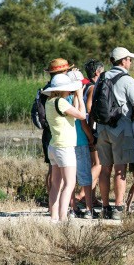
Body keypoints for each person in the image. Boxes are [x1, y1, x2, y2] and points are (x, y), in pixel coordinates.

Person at [95, 47, 134, 220]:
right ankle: (117, 207)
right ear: (123, 61)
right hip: (121, 127)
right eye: (129, 59)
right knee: (120, 169)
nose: (131, 62)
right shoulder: (127, 79)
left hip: (102, 127)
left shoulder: (102, 77)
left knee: (104, 170)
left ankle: (104, 206)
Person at [42, 74, 87, 222]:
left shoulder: (50, 102)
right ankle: (63, 217)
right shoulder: (61, 102)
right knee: (69, 184)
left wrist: (74, 98)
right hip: (65, 147)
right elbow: (81, 115)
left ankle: (54, 217)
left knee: (56, 184)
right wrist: (80, 97)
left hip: (54, 146)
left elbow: (70, 114)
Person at [41, 58, 76, 196]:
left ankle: (52, 205)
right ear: (63, 72)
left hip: (49, 132)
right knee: (65, 179)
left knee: (53, 171)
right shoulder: (62, 92)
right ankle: (62, 207)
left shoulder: (45, 90)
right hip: (61, 135)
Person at [66, 70, 95, 219]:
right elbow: (82, 121)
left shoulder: (62, 99)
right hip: (81, 141)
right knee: (85, 177)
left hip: (67, 142)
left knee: (70, 178)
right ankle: (89, 208)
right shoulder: (76, 100)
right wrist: (91, 137)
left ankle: (72, 207)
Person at [81, 58, 105, 211]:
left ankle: (93, 198)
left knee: (92, 163)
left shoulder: (83, 86)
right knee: (98, 164)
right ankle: (83, 194)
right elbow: (89, 110)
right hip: (92, 128)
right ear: (97, 72)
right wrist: (91, 133)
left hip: (85, 128)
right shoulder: (92, 88)